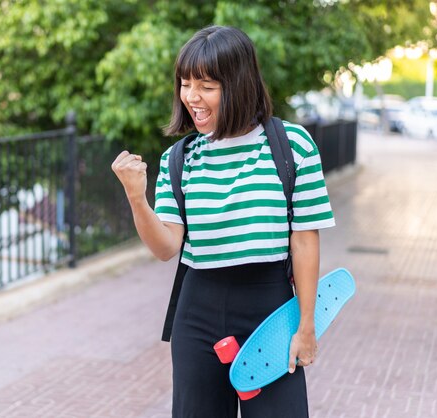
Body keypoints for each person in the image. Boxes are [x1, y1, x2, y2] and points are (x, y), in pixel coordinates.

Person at [111, 25, 335, 418]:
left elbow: (304, 241)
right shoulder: (179, 160)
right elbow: (166, 249)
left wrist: (306, 326)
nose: (191, 97)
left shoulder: (293, 147)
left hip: (270, 309)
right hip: (198, 311)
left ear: (238, 85)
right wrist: (135, 197)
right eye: (185, 84)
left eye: (206, 85)